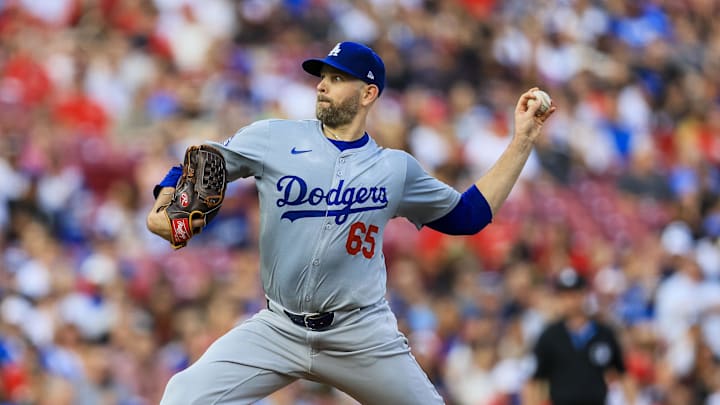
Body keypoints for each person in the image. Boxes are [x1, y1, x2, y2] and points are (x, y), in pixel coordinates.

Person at [146, 41, 555, 404]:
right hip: (279, 327)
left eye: (338, 78)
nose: (323, 84)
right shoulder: (272, 137)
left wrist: (521, 141)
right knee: (183, 394)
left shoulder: (395, 169)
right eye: (323, 76)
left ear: (368, 93)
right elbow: (204, 161)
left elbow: (468, 216)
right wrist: (164, 206)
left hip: (359, 333)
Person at [524, 267, 635, 405]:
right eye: (565, 295)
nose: (570, 300)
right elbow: (534, 381)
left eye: (575, 294)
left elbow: (623, 374)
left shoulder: (604, 333)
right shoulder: (550, 336)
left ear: (584, 294)